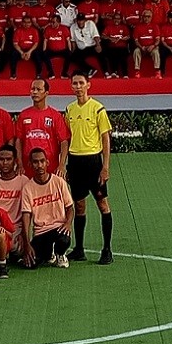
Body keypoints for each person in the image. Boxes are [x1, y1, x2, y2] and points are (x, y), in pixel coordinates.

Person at [64, 71, 114, 264]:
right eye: (74, 83)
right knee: (79, 206)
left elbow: (105, 138)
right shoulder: (69, 110)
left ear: (88, 85)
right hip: (75, 162)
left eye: (80, 83)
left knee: (102, 205)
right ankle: (79, 248)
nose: (77, 87)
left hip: (93, 162)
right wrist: (66, 165)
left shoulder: (97, 109)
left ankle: (107, 249)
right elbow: (67, 139)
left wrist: (105, 166)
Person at [21, 148, 74, 269]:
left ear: (47, 162)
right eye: (35, 162)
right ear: (30, 164)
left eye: (42, 161)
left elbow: (70, 208)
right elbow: (26, 216)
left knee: (64, 240)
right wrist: (27, 244)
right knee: (31, 264)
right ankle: (50, 254)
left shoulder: (59, 182)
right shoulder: (27, 188)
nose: (39, 165)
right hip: (41, 232)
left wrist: (68, 223)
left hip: (59, 227)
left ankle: (60, 254)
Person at [15, 78, 70, 177]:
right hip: (28, 169)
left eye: (38, 89)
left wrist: (62, 165)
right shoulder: (23, 115)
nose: (35, 92)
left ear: (46, 93)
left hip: (50, 168)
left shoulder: (55, 116)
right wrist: (19, 164)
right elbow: (18, 141)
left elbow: (64, 142)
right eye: (33, 89)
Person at [0, 144, 30, 256]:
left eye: (8, 159)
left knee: (16, 250)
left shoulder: (23, 181)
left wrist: (24, 235)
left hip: (15, 228)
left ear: (15, 161)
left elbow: (27, 212)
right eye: (2, 159)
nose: (5, 163)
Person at [69, 13, 107, 77]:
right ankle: (90, 69)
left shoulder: (90, 23)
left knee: (101, 53)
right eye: (79, 20)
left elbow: (96, 35)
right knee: (73, 56)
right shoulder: (73, 27)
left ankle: (106, 72)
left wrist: (98, 45)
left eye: (82, 20)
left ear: (85, 20)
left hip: (92, 46)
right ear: (76, 20)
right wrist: (73, 50)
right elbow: (73, 41)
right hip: (82, 48)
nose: (80, 22)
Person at [11, 15, 43, 80]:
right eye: (25, 22)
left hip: (31, 49)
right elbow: (15, 44)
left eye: (28, 22)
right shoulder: (18, 31)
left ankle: (38, 74)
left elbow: (36, 43)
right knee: (13, 55)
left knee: (38, 55)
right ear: (22, 22)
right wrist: (21, 53)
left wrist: (29, 52)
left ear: (31, 23)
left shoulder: (34, 31)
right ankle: (13, 74)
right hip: (20, 49)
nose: (26, 24)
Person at [132, 10, 162, 78]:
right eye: (145, 16)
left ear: (151, 17)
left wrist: (153, 46)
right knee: (136, 51)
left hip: (152, 47)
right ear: (142, 17)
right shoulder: (138, 27)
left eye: (148, 16)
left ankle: (157, 71)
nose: (146, 18)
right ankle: (137, 71)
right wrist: (141, 47)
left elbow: (157, 40)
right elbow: (136, 41)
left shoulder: (155, 26)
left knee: (156, 52)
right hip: (141, 47)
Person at [42, 14, 73, 79]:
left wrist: (70, 50)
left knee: (69, 55)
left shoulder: (64, 29)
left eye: (53, 22)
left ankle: (64, 73)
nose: (51, 24)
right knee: (44, 55)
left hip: (62, 50)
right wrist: (44, 50)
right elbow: (45, 41)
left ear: (58, 22)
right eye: (51, 22)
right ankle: (51, 73)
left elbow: (68, 41)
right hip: (51, 50)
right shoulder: (48, 29)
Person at [101, 12, 131, 78]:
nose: (116, 20)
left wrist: (120, 39)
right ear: (113, 19)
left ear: (120, 20)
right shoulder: (109, 27)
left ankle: (125, 74)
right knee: (112, 55)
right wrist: (110, 38)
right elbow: (103, 35)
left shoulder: (124, 27)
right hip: (112, 47)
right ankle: (114, 72)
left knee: (123, 56)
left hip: (122, 47)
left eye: (118, 19)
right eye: (115, 18)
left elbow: (128, 36)